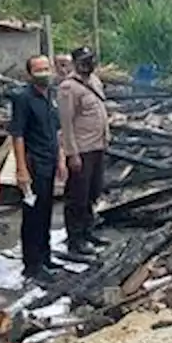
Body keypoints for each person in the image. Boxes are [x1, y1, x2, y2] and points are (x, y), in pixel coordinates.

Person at [10, 55, 68, 283]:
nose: (44, 72)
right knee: (33, 215)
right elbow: (18, 134)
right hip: (34, 164)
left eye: (46, 68)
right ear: (29, 74)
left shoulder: (50, 96)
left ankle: (45, 257)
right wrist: (21, 169)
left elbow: (56, 132)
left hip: (50, 161)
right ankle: (32, 265)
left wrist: (61, 159)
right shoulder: (23, 98)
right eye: (38, 69)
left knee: (46, 212)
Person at [58, 46, 111, 255]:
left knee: (92, 192)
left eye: (90, 60)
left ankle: (88, 231)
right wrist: (72, 153)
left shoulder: (95, 81)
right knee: (77, 197)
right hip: (82, 149)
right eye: (83, 61)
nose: (87, 64)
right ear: (75, 63)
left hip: (98, 146)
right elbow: (66, 123)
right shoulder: (69, 88)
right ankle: (75, 239)